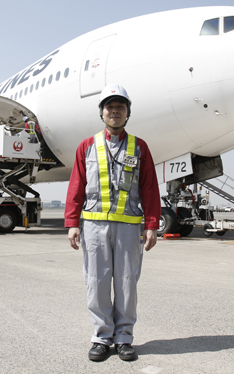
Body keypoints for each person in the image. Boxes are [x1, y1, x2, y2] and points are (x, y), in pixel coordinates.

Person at [65, 84, 160, 362]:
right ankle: (101, 337)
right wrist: (72, 222)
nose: (115, 111)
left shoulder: (140, 147)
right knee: (96, 282)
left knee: (127, 283)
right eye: (110, 107)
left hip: (128, 227)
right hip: (94, 226)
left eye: (120, 107)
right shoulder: (86, 146)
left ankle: (124, 338)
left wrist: (151, 225)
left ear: (128, 113)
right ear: (102, 113)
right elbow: (76, 186)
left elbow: (150, 188)